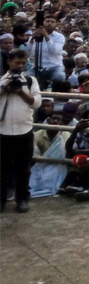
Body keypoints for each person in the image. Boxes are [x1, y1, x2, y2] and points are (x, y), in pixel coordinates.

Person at [0, 48, 41, 213]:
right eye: (17, 62)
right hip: (2, 131)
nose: (20, 66)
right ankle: (1, 201)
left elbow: (37, 102)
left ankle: (22, 199)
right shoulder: (0, 80)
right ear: (9, 62)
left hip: (24, 131)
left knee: (23, 169)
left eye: (23, 63)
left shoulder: (30, 80)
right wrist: (4, 88)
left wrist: (20, 92)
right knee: (1, 169)